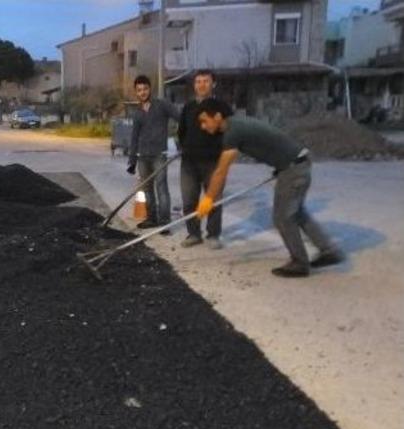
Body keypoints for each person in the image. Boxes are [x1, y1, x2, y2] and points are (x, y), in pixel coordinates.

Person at [195, 98, 345, 278]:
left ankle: (299, 263)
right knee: (297, 214)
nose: (203, 126)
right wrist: (280, 164)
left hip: (293, 169)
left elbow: (221, 171)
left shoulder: (232, 132)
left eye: (204, 121)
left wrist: (209, 198)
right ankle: (329, 250)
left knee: (282, 218)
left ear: (218, 116)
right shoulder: (237, 124)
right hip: (297, 163)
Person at [177, 70, 224, 249]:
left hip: (213, 162)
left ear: (213, 84)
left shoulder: (221, 107)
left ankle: (213, 235)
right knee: (189, 200)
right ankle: (194, 234)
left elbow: (228, 132)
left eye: (206, 81)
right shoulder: (188, 107)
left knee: (213, 199)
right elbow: (181, 131)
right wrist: (185, 148)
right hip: (189, 163)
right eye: (198, 81)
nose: (201, 85)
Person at [128, 75, 180, 232]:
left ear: (150, 89)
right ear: (136, 92)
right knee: (147, 190)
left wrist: (182, 138)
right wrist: (132, 160)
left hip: (159, 155)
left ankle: (165, 222)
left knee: (161, 187)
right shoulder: (137, 113)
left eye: (145, 89)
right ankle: (151, 219)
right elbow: (134, 137)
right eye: (139, 90)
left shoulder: (162, 105)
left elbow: (180, 118)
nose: (142, 92)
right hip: (143, 157)